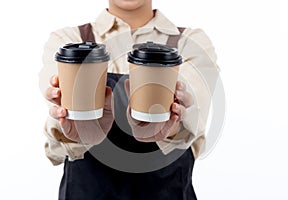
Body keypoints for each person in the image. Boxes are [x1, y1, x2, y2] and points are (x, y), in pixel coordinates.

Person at [39, 0, 219, 199]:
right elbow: (57, 146)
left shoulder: (190, 42)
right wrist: (72, 127)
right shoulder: (68, 39)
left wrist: (172, 123)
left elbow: (194, 116)